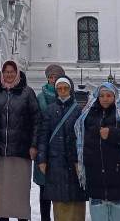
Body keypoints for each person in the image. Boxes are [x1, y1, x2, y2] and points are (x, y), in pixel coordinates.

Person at [75, 82, 120, 221]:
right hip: (97, 180)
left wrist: (112, 133)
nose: (105, 98)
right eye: (102, 96)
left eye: (109, 95)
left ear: (115, 96)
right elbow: (80, 139)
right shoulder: (88, 114)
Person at [0, 60, 40, 221]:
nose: (9, 74)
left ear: (17, 72)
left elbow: (37, 120)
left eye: (12, 71)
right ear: (2, 73)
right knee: (2, 193)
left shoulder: (27, 92)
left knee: (19, 192)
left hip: (21, 150)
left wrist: (33, 144)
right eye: (6, 71)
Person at [37, 76, 86, 221]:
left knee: (76, 199)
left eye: (65, 88)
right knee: (59, 200)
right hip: (55, 160)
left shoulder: (78, 109)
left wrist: (80, 159)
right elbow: (43, 136)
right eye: (60, 88)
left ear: (70, 89)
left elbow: (82, 136)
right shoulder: (50, 110)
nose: (63, 91)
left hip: (74, 161)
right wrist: (42, 159)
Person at [34, 64, 66, 221]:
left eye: (56, 77)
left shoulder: (66, 97)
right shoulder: (40, 97)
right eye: (51, 77)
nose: (53, 80)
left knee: (61, 187)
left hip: (62, 148)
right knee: (44, 188)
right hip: (44, 146)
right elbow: (35, 121)